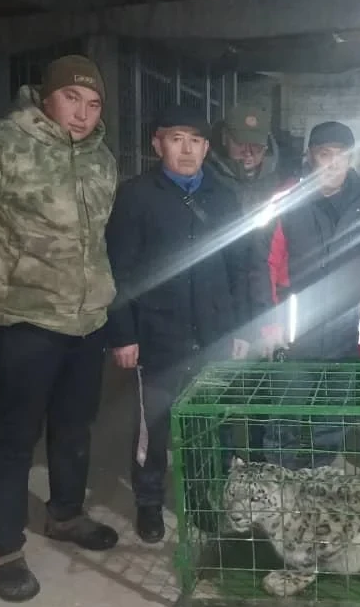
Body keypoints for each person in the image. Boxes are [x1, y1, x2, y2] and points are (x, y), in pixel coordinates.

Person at [0, 54, 119, 602]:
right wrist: (0, 279)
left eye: (93, 103)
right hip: (23, 323)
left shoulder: (101, 158)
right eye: (71, 98)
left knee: (74, 427)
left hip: (87, 320)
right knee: (13, 438)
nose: (82, 113)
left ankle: (66, 514)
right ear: (44, 95)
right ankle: (5, 549)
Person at [105, 103, 252, 544]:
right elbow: (119, 271)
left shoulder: (224, 197)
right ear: (158, 144)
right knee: (153, 426)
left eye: (196, 141)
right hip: (157, 337)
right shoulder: (136, 197)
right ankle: (149, 502)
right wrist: (124, 333)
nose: (186, 150)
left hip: (212, 334)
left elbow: (239, 268)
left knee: (207, 424)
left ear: (207, 148)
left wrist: (240, 328)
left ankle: (201, 498)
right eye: (176, 139)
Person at [252, 121, 360, 469]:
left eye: (340, 155)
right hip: (292, 338)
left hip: (346, 335)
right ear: (310, 156)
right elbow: (263, 265)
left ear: (351, 159)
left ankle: (319, 480)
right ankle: (278, 482)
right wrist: (269, 326)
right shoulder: (286, 200)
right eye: (324, 154)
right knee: (284, 417)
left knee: (332, 419)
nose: (332, 163)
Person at [207, 104, 291, 460]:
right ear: (225, 139)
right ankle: (223, 463)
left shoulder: (283, 185)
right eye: (241, 143)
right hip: (220, 301)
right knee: (221, 390)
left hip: (265, 300)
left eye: (256, 144)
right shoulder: (207, 182)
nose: (249, 152)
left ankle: (259, 463)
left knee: (263, 389)